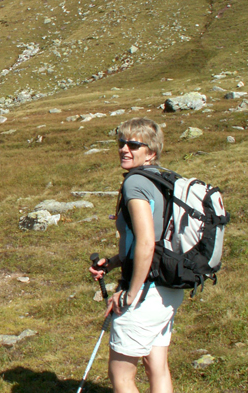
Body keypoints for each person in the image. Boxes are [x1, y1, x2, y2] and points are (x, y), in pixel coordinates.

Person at [88, 117, 181, 393]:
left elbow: (146, 242)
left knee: (121, 376)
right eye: (121, 142)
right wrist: (115, 262)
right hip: (167, 287)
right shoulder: (163, 180)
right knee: (157, 367)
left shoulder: (135, 184)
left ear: (151, 151)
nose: (124, 149)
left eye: (134, 144)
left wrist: (130, 292)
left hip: (146, 289)